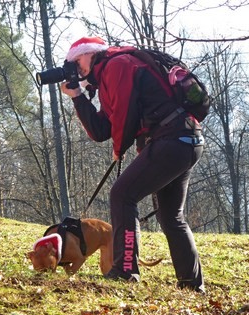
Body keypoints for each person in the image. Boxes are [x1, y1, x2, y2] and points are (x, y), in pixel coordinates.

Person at [60, 37, 206, 292]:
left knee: (123, 194)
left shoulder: (117, 65)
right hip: (186, 140)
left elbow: (125, 112)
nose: (74, 66)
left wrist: (120, 147)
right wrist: (76, 96)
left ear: (91, 54)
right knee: (170, 215)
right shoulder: (108, 77)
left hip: (170, 140)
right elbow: (100, 129)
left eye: (77, 60)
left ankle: (125, 270)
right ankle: (192, 284)